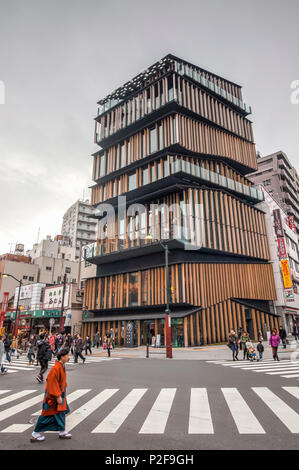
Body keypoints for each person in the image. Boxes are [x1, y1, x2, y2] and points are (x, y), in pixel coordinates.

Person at [30, 348, 72, 442]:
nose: (68, 357)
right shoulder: (56, 368)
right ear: (62, 357)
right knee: (47, 414)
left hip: (59, 393)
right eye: (67, 355)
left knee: (61, 413)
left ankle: (62, 431)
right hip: (54, 395)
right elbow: (51, 383)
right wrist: (57, 396)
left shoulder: (61, 366)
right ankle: (35, 433)